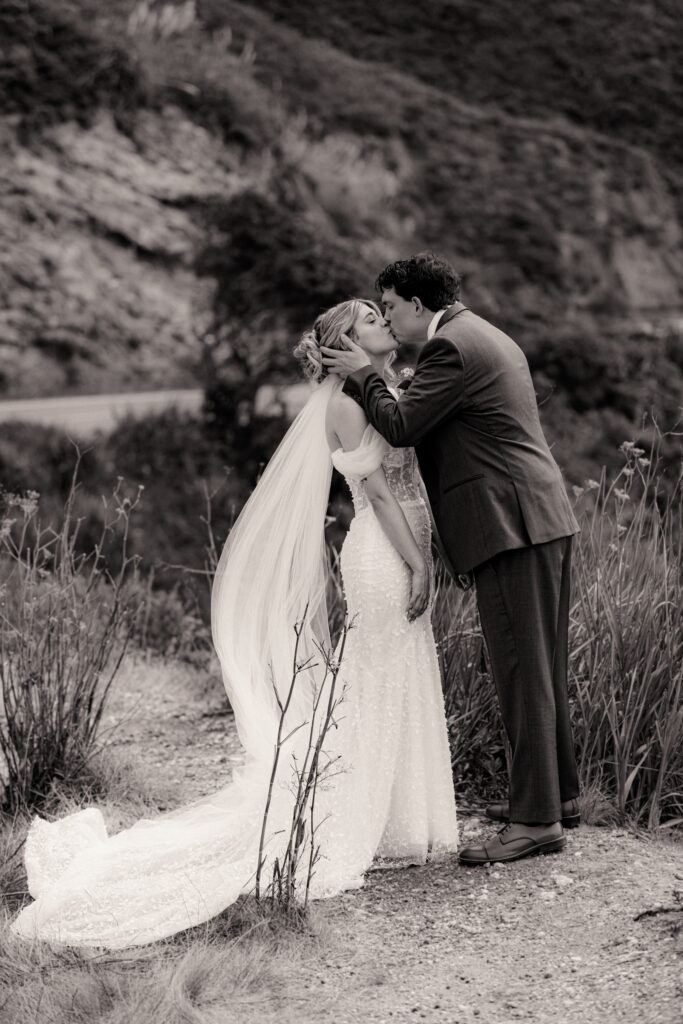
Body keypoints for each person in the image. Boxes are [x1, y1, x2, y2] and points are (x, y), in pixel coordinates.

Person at [10, 299, 457, 950]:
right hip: (383, 553)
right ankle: (366, 821)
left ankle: (401, 818)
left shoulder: (388, 387)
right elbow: (380, 493)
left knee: (397, 673)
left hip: (404, 541)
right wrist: (418, 562)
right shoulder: (346, 402)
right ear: (341, 342)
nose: (383, 322)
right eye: (368, 318)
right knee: (378, 675)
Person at [322, 253, 581, 865]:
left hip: (511, 524)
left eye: (387, 307)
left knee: (522, 666)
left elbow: (404, 425)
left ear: (416, 305)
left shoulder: (451, 349)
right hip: (535, 518)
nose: (385, 316)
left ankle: (537, 820)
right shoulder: (478, 333)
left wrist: (362, 373)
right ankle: (557, 795)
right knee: (539, 662)